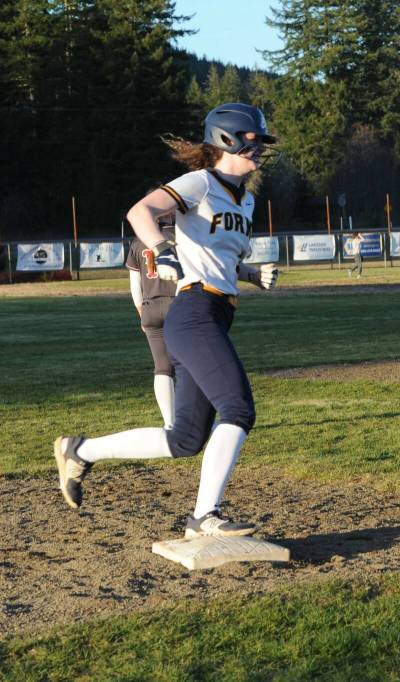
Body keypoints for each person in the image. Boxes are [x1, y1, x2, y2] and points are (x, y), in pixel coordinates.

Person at [53, 102, 281, 538]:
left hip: (215, 312)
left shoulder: (246, 199)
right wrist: (161, 247)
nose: (259, 151)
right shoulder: (200, 181)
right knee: (238, 408)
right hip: (193, 313)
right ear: (227, 139)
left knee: (186, 439)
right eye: (253, 142)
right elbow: (139, 212)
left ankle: (81, 450)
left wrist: (250, 274)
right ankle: (204, 516)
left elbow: (217, 259)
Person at [125, 211, 178, 429]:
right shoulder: (181, 236)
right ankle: (195, 419)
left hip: (150, 307)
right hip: (179, 304)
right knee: (190, 365)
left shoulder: (139, 241)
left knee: (162, 367)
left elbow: (134, 284)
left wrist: (141, 313)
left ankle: (169, 423)